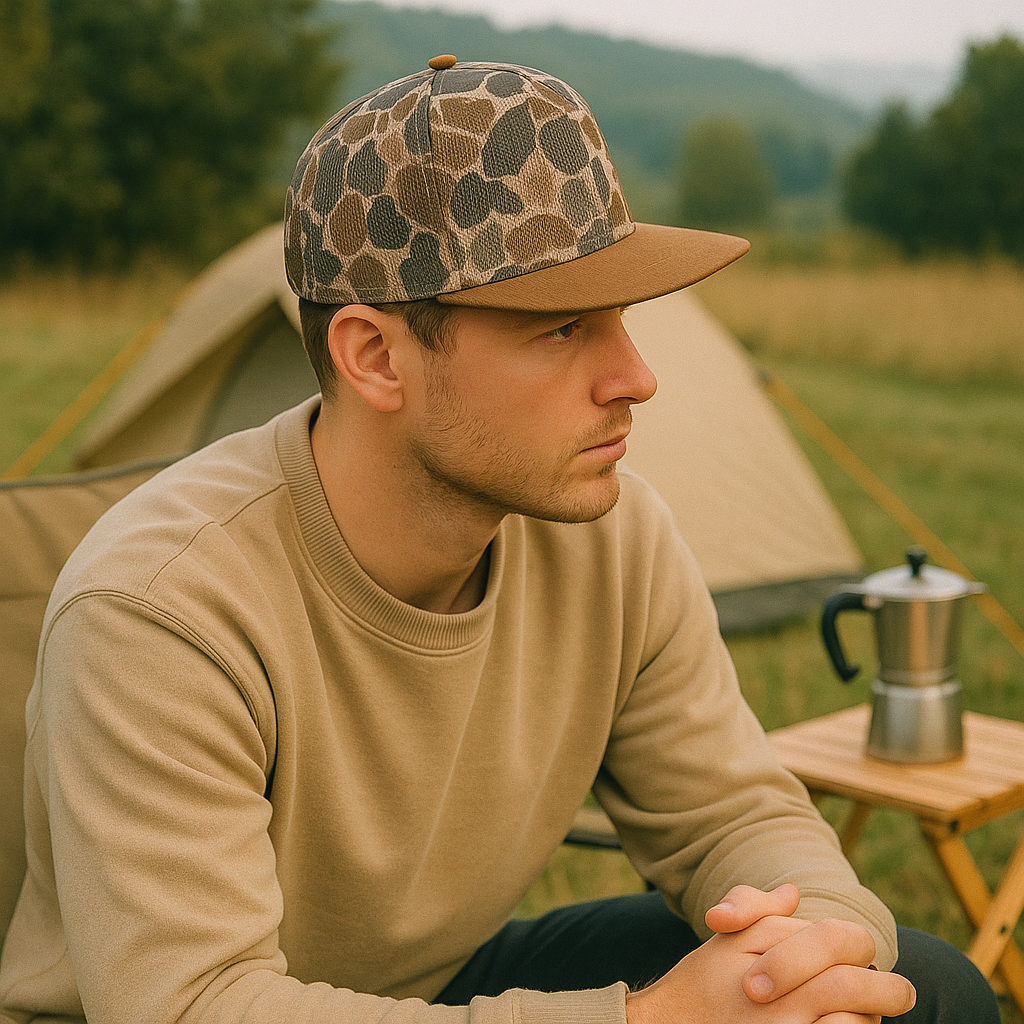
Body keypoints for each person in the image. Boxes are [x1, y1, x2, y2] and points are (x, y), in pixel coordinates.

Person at [0, 56, 999, 1024]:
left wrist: (818, 950)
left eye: (621, 312)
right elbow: (192, 1006)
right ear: (374, 356)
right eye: (560, 327)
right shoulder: (161, 608)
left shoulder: (614, 536)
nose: (636, 375)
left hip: (429, 988)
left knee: (920, 985)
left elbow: (735, 815)